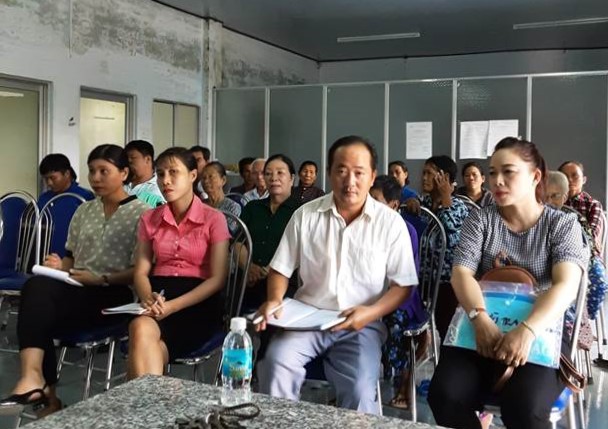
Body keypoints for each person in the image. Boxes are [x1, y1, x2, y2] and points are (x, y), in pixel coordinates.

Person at [428, 138, 588, 429]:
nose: (497, 181)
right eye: (492, 173)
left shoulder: (561, 225)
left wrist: (527, 331)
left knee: (525, 408)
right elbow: (461, 274)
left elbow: (566, 285)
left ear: (535, 176)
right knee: (444, 395)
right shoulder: (480, 221)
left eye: (508, 172)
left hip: (540, 331)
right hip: (482, 327)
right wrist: (479, 318)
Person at [256, 136, 418, 414]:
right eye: (341, 171)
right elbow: (280, 269)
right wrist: (274, 299)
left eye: (359, 173)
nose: (349, 181)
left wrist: (370, 313)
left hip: (360, 322)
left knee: (360, 389)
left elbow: (402, 286)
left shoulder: (390, 224)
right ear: (330, 173)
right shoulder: (305, 216)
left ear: (372, 177)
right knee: (275, 363)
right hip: (307, 319)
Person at [0, 144, 149, 416]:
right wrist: (60, 266)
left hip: (115, 295)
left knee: (39, 309)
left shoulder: (142, 214)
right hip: (78, 288)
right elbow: (71, 259)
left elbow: (140, 270)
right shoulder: (84, 211)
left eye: (104, 171)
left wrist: (101, 278)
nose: (95, 178)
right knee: (36, 290)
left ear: (124, 173)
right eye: (92, 171)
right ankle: (33, 379)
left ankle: (46, 397)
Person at [127, 147, 230, 378]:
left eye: (173, 172)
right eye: (160, 174)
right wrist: (148, 298)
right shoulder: (149, 218)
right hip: (159, 297)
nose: (165, 180)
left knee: (140, 345)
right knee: (140, 327)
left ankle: (143, 398)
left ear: (193, 175)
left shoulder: (214, 219)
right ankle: (151, 400)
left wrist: (172, 307)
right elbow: (141, 272)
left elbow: (218, 279)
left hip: (198, 301)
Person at [370, 175, 427, 409]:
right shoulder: (364, 227)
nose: (369, 205)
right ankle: (357, 383)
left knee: (395, 321)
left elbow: (404, 278)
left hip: (402, 296)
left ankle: (404, 382)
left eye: (375, 200)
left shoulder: (405, 230)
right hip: (370, 293)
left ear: (393, 205)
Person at [415, 155, 469, 340]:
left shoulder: (459, 206)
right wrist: (412, 203)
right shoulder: (423, 203)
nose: (424, 178)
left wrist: (446, 198)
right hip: (423, 277)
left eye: (429, 173)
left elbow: (451, 233)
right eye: (423, 173)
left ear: (444, 177)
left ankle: (447, 353)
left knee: (446, 326)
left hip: (447, 280)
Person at [239, 154, 298, 310]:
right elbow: (237, 242)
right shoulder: (252, 207)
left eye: (280, 173)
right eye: (268, 173)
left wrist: (268, 270)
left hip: (287, 285)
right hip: (249, 281)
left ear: (292, 178)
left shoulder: (302, 211)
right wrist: (249, 267)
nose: (273, 178)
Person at [37, 154, 95, 257]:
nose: (49, 183)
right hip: (45, 256)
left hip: (73, 258)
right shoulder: (44, 198)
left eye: (53, 178)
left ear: (67, 173)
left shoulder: (83, 197)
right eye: (46, 179)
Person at [558, 160, 604, 254]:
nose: (570, 180)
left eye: (575, 176)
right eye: (565, 176)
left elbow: (590, 237)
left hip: (585, 253)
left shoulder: (593, 205)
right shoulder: (552, 203)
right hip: (557, 251)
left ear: (584, 180)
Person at [201, 161, 241, 233]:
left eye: (210, 177)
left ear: (223, 180)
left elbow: (227, 233)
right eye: (203, 178)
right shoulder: (200, 205)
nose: (206, 181)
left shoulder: (232, 207)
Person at [124, 140, 165, 207]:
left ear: (147, 159)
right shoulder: (121, 183)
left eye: (133, 158)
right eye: (126, 158)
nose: (129, 161)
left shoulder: (159, 188)